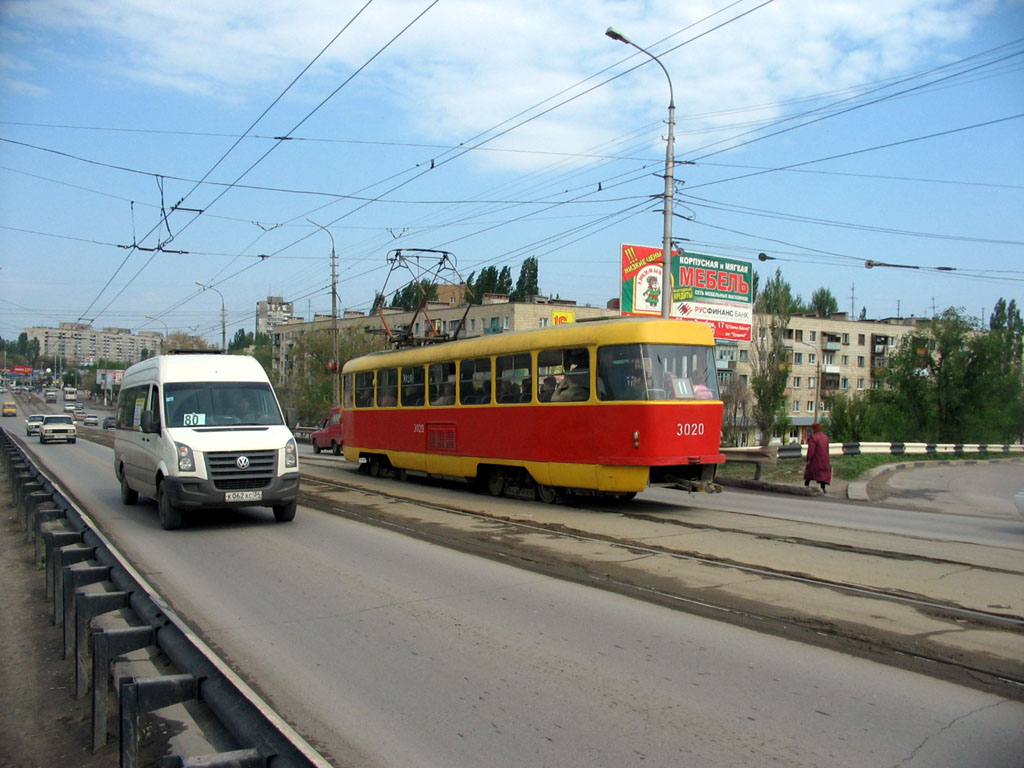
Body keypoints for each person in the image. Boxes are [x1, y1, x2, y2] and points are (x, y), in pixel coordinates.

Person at [803, 422, 832, 494]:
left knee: (809, 473)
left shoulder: (813, 437)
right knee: (823, 475)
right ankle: (823, 488)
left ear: (814, 429)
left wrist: (808, 458)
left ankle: (806, 486)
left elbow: (811, 450)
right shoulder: (825, 437)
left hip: (816, 459)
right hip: (825, 459)